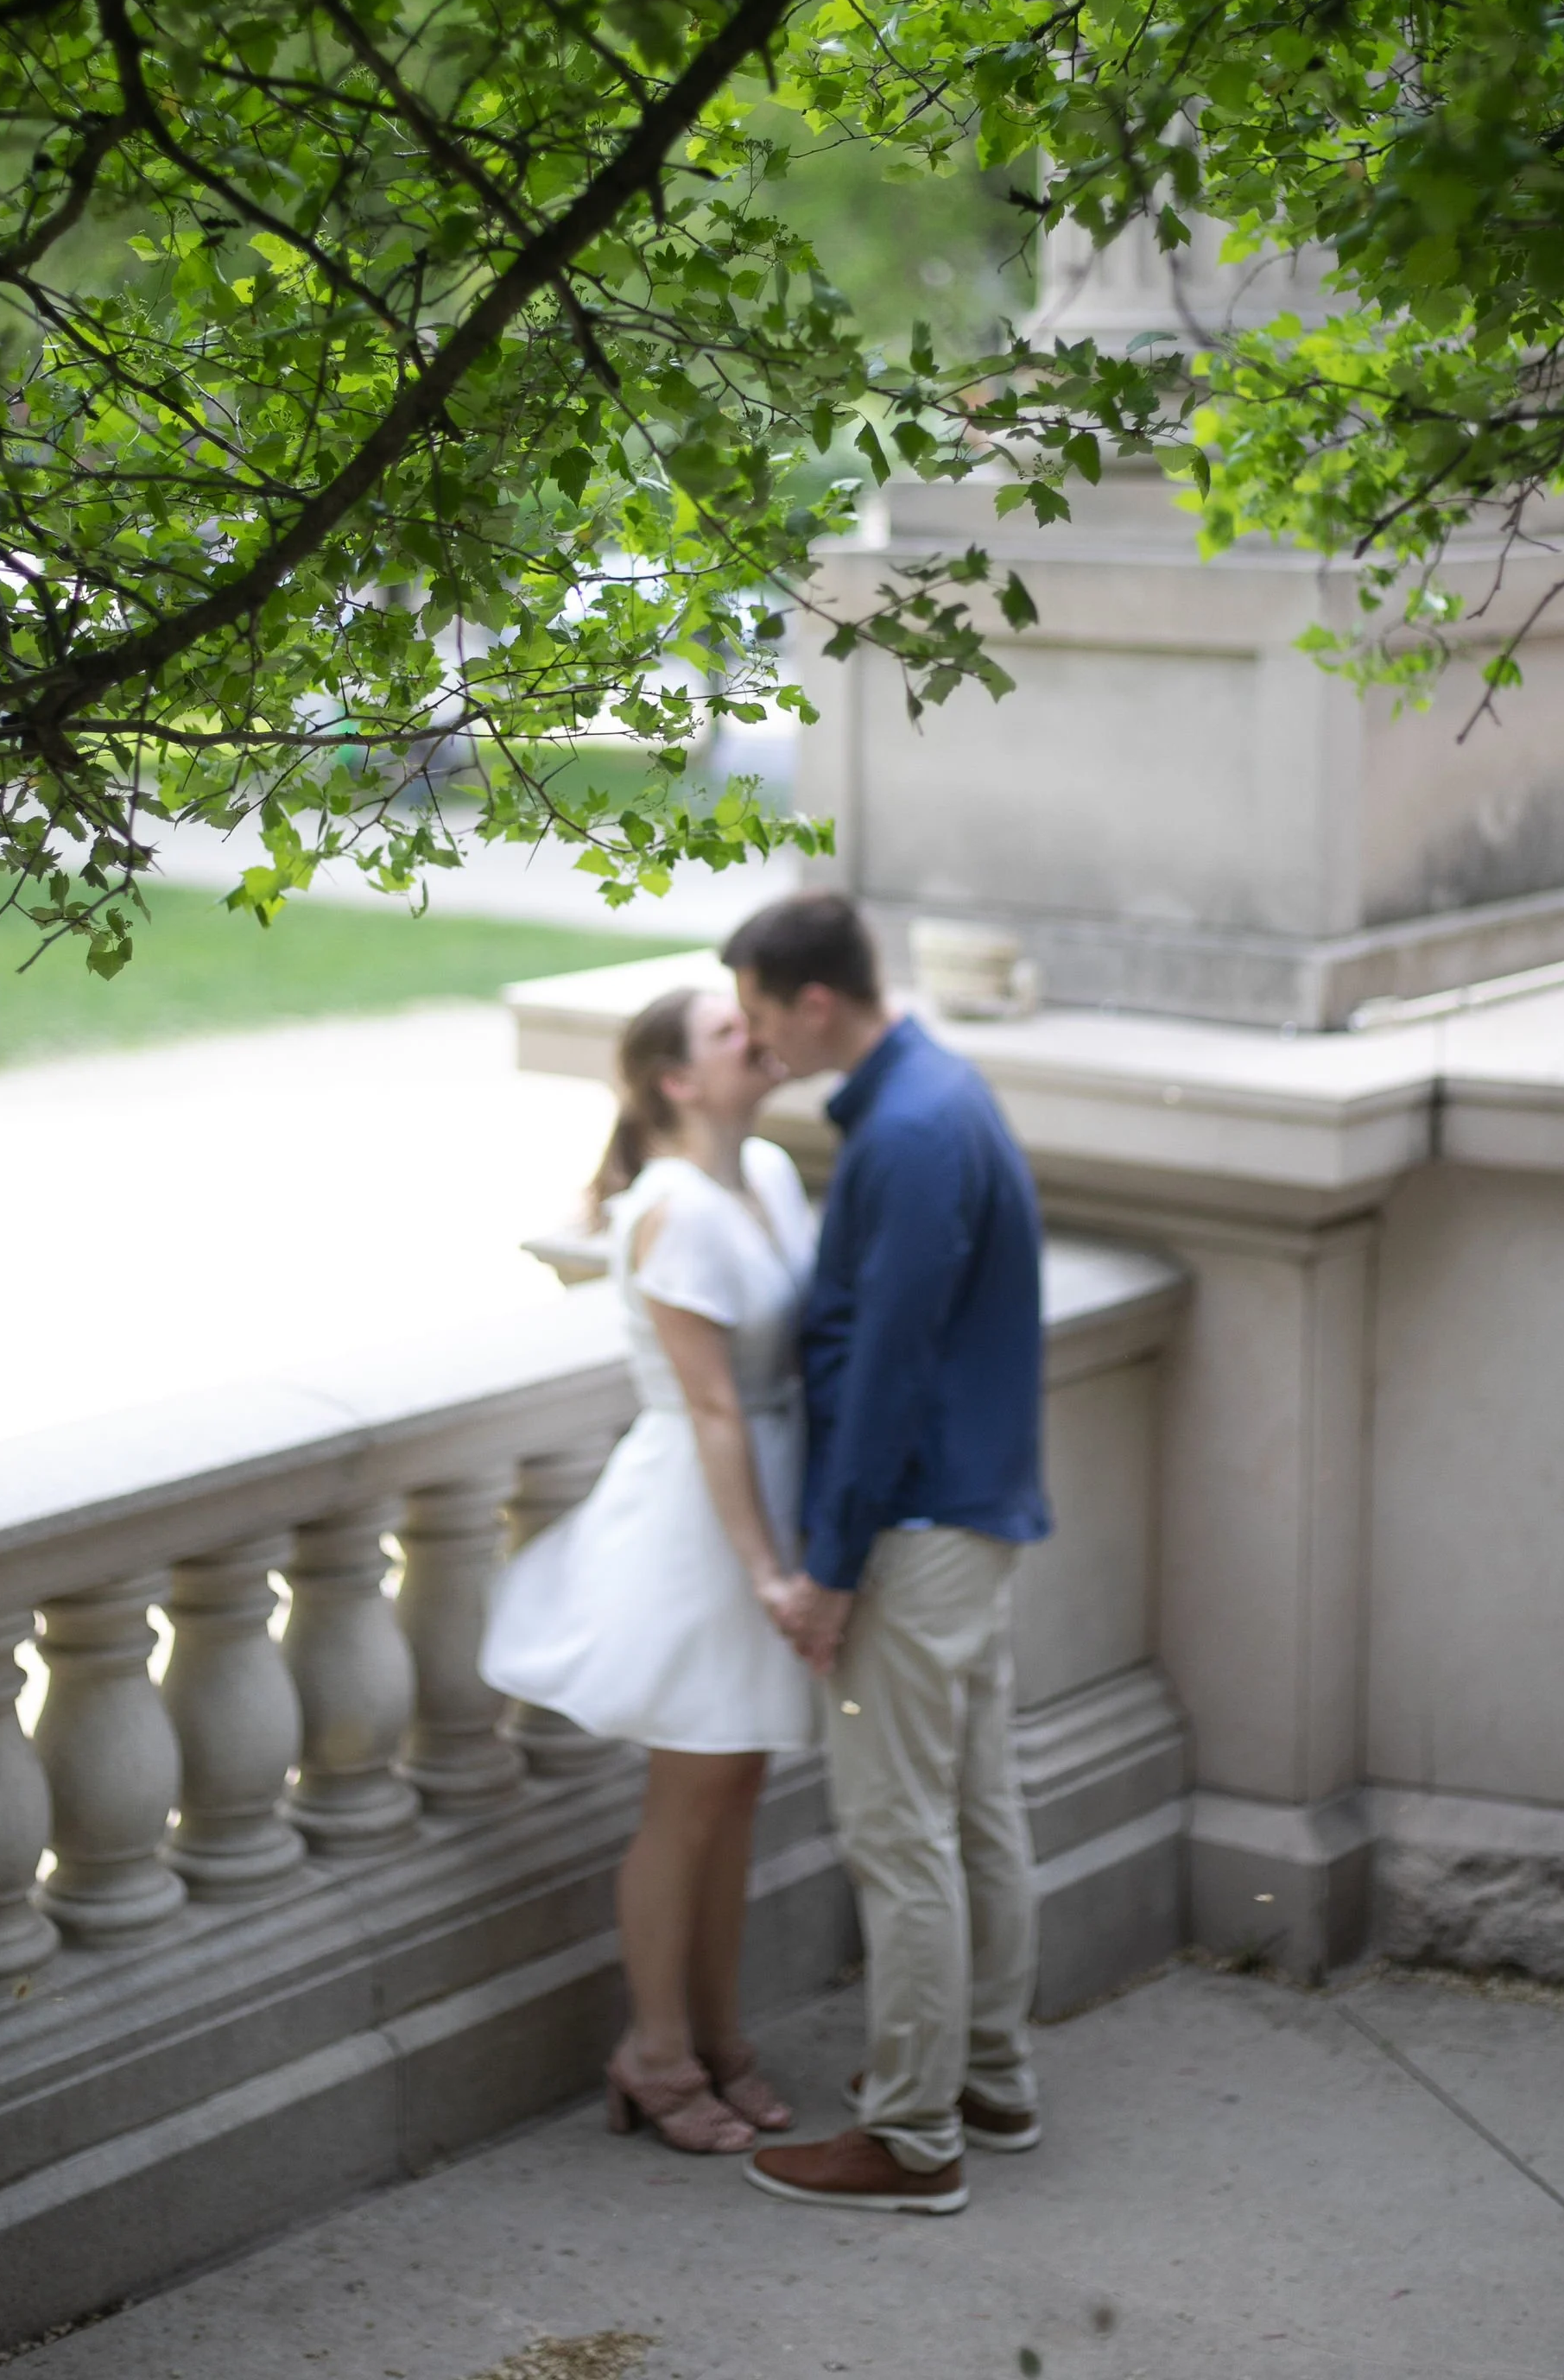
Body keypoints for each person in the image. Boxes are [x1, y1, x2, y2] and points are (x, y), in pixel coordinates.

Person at [718, 891, 1048, 2219]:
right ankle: (989, 2081)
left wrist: (831, 1567)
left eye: (756, 1015)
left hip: (911, 1533)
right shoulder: (939, 1094)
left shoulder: (907, 1134)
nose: (754, 1044)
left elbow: (886, 1374)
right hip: (972, 1516)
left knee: (899, 1833)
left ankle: (913, 2140)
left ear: (812, 1001)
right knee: (975, 1813)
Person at [480, 982, 819, 2157]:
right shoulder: (669, 1208)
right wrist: (771, 1570)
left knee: (738, 1787)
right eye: (733, 1033)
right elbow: (714, 1407)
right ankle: (655, 2050)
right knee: (688, 1798)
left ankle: (722, 2041)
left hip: (769, 1486)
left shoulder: (768, 1172)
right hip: (702, 1522)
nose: (760, 1038)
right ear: (676, 1079)